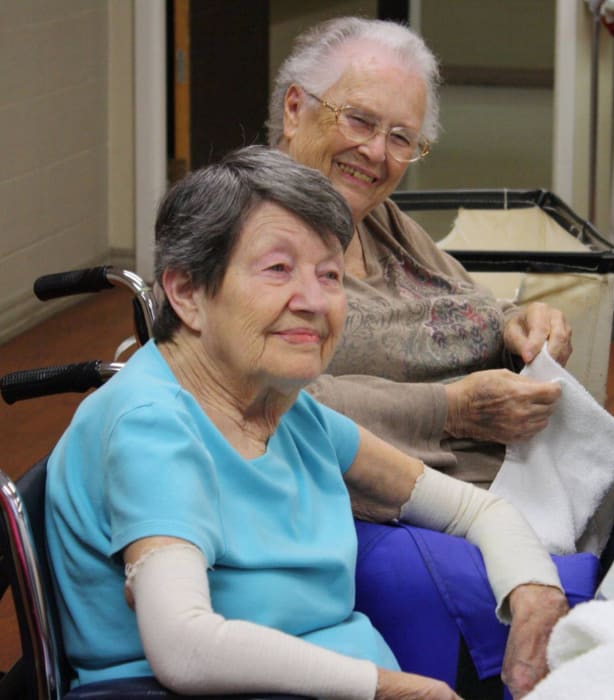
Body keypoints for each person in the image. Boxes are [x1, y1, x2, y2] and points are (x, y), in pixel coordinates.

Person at [45, 146, 571, 699]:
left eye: (330, 274)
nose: (314, 301)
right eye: (277, 269)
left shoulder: (284, 408)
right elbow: (183, 647)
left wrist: (532, 587)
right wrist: (391, 688)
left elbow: (475, 508)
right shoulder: (152, 427)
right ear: (187, 293)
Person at [268, 16, 614, 562]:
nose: (376, 152)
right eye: (359, 121)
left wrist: (520, 321)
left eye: (401, 138)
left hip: (504, 488)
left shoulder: (377, 220)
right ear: (295, 109)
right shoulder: (254, 234)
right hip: (387, 511)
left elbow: (470, 302)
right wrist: (453, 410)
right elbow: (267, 402)